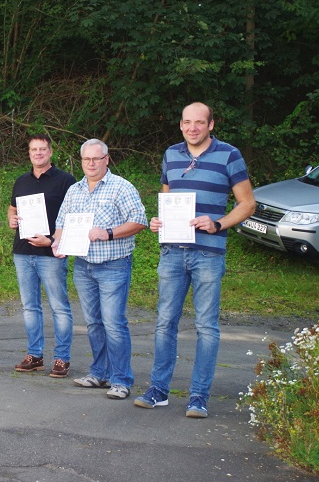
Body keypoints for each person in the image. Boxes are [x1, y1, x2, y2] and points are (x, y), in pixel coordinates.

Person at [134, 102, 255, 418]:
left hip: (207, 254)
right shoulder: (171, 154)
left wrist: (217, 223)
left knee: (206, 326)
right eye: (187, 122)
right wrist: (158, 221)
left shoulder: (229, 155)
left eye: (199, 123)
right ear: (180, 125)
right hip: (172, 252)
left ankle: (199, 397)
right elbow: (168, 196)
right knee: (164, 323)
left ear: (211, 125)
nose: (193, 128)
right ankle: (159, 390)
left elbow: (247, 204)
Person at [52, 139, 148, 399]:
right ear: (81, 161)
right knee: (94, 323)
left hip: (113, 265)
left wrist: (109, 233)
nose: (91, 164)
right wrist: (58, 242)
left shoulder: (121, 187)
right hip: (83, 265)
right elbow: (62, 222)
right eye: (86, 159)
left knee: (114, 324)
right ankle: (100, 373)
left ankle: (121, 379)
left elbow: (139, 221)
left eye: (96, 159)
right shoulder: (74, 190)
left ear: (107, 159)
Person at [8, 134, 77, 378]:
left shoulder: (66, 181)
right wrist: (11, 218)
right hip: (23, 252)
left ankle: (62, 359)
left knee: (59, 307)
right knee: (30, 307)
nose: (38, 153)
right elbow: (13, 207)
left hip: (51, 252)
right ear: (29, 153)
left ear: (50, 152)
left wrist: (53, 241)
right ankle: (34, 355)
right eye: (33, 149)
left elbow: (74, 216)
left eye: (42, 149)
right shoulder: (21, 181)